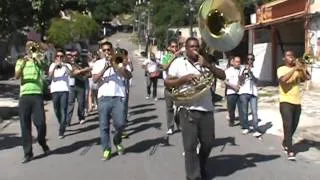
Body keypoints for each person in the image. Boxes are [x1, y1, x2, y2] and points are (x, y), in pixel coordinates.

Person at [164, 37, 226, 180]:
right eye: (191, 47)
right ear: (185, 48)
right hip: (187, 109)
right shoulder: (178, 63)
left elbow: (223, 75)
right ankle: (193, 176)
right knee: (190, 146)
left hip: (206, 108)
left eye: (196, 46)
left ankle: (201, 164)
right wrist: (183, 80)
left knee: (208, 143)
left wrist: (208, 65)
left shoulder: (205, 61)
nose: (194, 49)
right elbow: (167, 83)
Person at [92, 41, 132, 160]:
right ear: (101, 52)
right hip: (103, 97)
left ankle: (117, 140)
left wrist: (119, 67)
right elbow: (94, 79)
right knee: (104, 126)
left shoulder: (119, 61)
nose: (107, 52)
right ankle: (106, 149)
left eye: (109, 50)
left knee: (120, 124)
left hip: (118, 96)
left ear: (112, 50)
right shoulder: (98, 63)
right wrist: (105, 68)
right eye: (104, 50)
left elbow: (129, 76)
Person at [15, 41, 50, 163]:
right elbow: (17, 76)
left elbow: (45, 68)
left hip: (37, 95)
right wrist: (24, 62)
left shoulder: (38, 60)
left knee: (40, 123)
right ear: (26, 50)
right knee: (25, 125)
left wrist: (37, 58)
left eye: (33, 48)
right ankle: (28, 153)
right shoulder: (21, 61)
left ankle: (42, 141)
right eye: (29, 48)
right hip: (25, 95)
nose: (31, 50)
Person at [277, 50, 311, 160]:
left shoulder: (297, 70)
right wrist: (294, 69)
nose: (291, 57)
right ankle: (290, 150)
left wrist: (303, 68)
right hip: (285, 101)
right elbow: (283, 80)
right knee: (288, 124)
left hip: (297, 102)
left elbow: (307, 78)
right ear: (284, 59)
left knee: (294, 126)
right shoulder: (281, 69)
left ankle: (286, 141)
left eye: (292, 55)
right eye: (288, 56)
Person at [48, 49, 73, 139]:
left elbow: (71, 74)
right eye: (57, 56)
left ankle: (61, 131)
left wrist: (64, 66)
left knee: (63, 110)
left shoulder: (67, 65)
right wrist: (55, 66)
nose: (59, 58)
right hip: (55, 90)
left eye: (61, 56)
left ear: (64, 57)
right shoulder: (52, 65)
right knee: (56, 110)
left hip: (64, 90)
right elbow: (50, 76)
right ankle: (62, 123)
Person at [66, 49, 91, 125]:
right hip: (71, 85)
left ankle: (81, 117)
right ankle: (68, 120)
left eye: (75, 55)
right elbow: (69, 73)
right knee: (70, 103)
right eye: (72, 55)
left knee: (81, 102)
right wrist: (74, 72)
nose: (73, 57)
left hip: (81, 85)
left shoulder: (82, 62)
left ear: (78, 55)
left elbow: (89, 71)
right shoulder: (68, 63)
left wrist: (80, 71)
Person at [238, 54, 262, 137]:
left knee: (254, 112)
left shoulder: (256, 68)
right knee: (244, 112)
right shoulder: (242, 68)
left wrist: (250, 72)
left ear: (253, 60)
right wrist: (244, 73)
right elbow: (240, 81)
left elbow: (256, 81)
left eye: (251, 59)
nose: (250, 61)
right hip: (243, 92)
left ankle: (256, 129)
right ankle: (246, 127)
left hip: (253, 93)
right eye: (248, 59)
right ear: (246, 60)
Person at [161, 39, 181, 135]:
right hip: (169, 86)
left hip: (179, 86)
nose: (175, 48)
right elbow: (164, 67)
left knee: (180, 107)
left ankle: (179, 124)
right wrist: (173, 57)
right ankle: (170, 127)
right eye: (172, 46)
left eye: (176, 46)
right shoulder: (166, 57)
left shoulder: (181, 58)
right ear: (168, 48)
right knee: (169, 108)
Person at [224, 56, 243, 128]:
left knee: (241, 108)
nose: (238, 63)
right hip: (231, 92)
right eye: (237, 62)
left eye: (239, 62)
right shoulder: (228, 71)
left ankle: (242, 122)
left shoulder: (241, 70)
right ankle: (231, 121)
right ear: (233, 62)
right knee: (231, 108)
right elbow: (225, 81)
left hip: (240, 92)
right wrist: (233, 86)